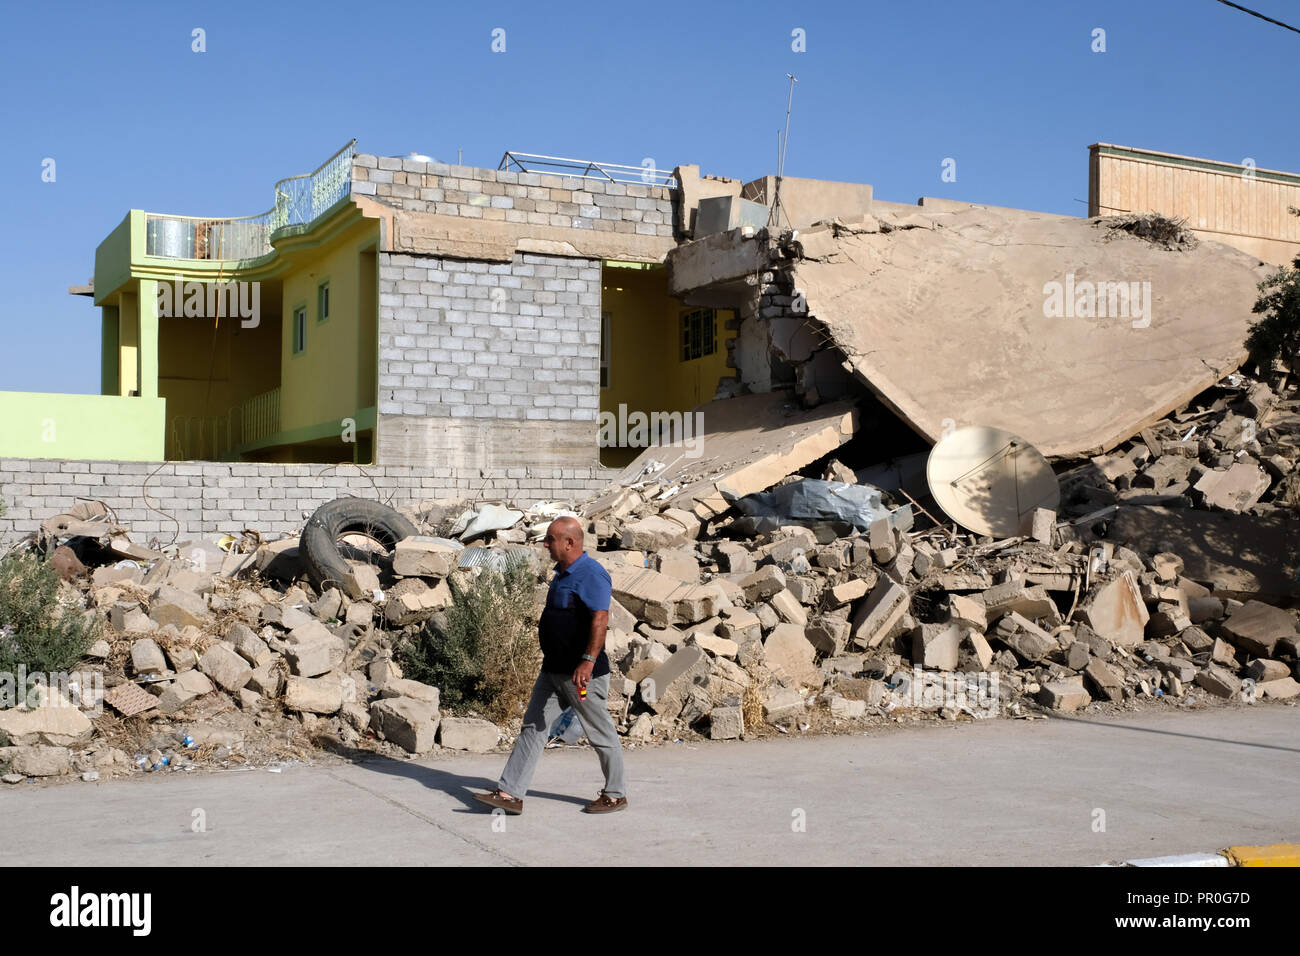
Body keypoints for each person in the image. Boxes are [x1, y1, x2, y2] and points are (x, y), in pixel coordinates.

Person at [473, 516, 628, 815]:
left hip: (582, 675)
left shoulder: (592, 574)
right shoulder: (561, 573)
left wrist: (587, 661)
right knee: (533, 727)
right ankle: (509, 794)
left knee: (600, 732)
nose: (545, 544)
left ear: (569, 542)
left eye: (551, 539)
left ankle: (615, 794)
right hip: (553, 671)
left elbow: (600, 619)